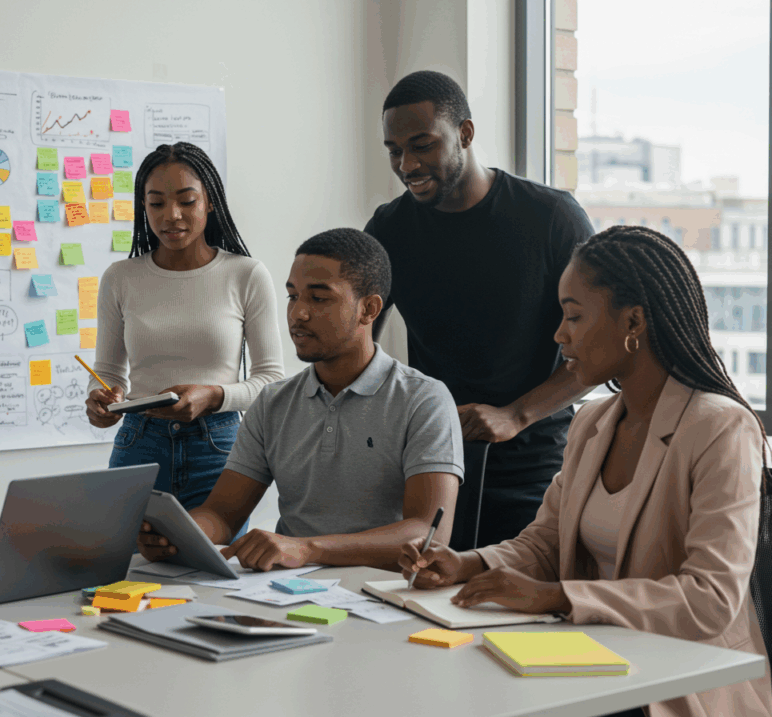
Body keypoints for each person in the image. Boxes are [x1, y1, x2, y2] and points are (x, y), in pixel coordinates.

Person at [400, 227, 772, 717]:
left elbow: (710, 599)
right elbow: (545, 542)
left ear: (633, 322)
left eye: (574, 316)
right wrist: (469, 564)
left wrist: (554, 598)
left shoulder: (720, 428)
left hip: (678, 687)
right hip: (591, 668)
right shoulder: (593, 422)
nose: (559, 334)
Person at [139, 228, 463, 572]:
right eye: (293, 297)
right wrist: (177, 536)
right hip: (285, 591)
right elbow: (221, 513)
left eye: (319, 299)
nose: (298, 314)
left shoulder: (424, 399)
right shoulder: (274, 402)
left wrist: (309, 549)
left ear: (369, 309)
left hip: (382, 594)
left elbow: (430, 535)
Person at [365, 70, 596, 547]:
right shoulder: (389, 229)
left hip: (534, 466)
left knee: (516, 612)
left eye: (422, 145)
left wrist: (516, 414)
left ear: (465, 134)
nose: (406, 164)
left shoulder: (552, 218)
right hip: (429, 464)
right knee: (425, 608)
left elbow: (601, 352)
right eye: (394, 150)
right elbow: (357, 345)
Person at [85, 142, 283, 536]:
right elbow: (107, 371)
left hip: (220, 446)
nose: (171, 216)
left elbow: (271, 381)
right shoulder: (120, 278)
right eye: (156, 203)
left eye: (186, 201)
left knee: (215, 573)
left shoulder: (246, 275)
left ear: (209, 202)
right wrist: (101, 399)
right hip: (140, 442)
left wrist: (213, 396)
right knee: (130, 575)